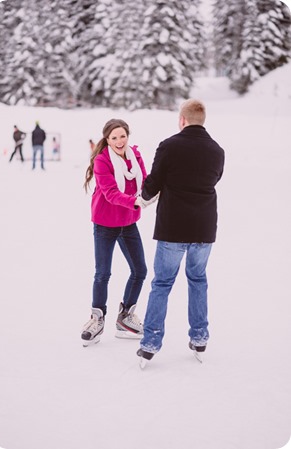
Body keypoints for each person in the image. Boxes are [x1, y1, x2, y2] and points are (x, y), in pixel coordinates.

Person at [137, 99, 225, 364]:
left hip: (173, 227)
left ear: (182, 119)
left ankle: (151, 343)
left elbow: (153, 183)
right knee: (198, 279)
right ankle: (199, 338)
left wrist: (141, 197)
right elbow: (215, 178)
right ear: (202, 120)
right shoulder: (217, 150)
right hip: (204, 227)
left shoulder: (169, 145)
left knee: (162, 283)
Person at [81, 119, 148, 346]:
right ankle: (97, 319)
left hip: (128, 222)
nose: (119, 141)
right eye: (114, 137)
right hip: (105, 223)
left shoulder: (135, 157)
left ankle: (126, 316)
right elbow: (110, 193)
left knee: (140, 270)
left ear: (128, 136)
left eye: (123, 136)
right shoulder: (102, 161)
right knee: (103, 273)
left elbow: (146, 182)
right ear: (107, 140)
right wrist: (137, 201)